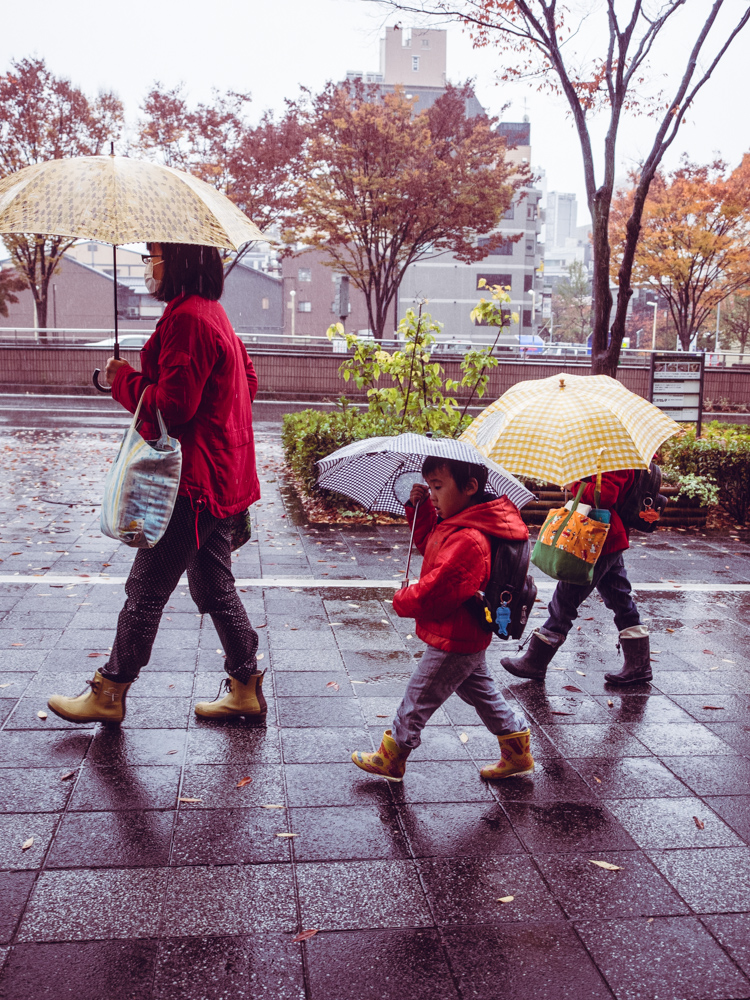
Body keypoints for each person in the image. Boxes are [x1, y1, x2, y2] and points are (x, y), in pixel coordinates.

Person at [47, 242, 265, 725]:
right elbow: (245, 382)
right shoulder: (212, 314)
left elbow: (172, 407)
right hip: (223, 478)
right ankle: (245, 684)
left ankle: (110, 691)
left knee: (145, 590)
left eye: (155, 254)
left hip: (192, 484)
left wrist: (126, 379)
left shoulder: (188, 317)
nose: (150, 264)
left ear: (182, 260)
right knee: (213, 585)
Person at [352, 456, 534, 783]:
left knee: (419, 695)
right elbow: (430, 545)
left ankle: (393, 756)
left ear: (470, 487)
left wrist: (402, 599)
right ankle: (517, 749)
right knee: (481, 692)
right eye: (430, 487)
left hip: (455, 636)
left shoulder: (470, 539)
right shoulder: (459, 522)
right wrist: (420, 509)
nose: (432, 494)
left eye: (438, 487)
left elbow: (437, 592)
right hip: (465, 633)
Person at [501, 469, 651, 685]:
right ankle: (639, 665)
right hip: (607, 535)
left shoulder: (612, 453)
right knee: (619, 597)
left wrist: (575, 483)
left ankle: (536, 661)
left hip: (598, 537)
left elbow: (606, 495)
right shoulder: (610, 450)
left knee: (566, 597)